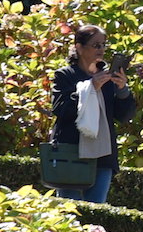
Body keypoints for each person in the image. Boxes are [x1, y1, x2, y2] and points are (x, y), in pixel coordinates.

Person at [51, 24, 134, 203]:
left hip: (102, 155)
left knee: (96, 215)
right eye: (96, 45)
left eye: (104, 45)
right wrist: (90, 88)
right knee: (69, 212)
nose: (101, 50)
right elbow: (60, 109)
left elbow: (124, 116)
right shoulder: (65, 75)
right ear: (79, 48)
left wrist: (122, 89)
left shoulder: (107, 78)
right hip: (71, 154)